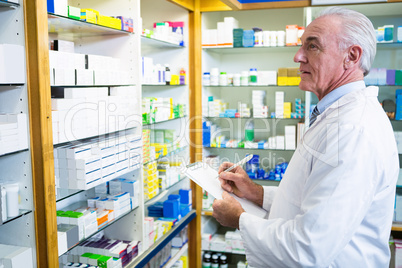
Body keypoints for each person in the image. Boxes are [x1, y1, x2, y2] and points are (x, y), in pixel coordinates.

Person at [212, 6, 399, 267]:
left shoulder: (353, 129)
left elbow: (308, 247)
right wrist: (256, 193)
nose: (297, 56)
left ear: (352, 56)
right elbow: (311, 198)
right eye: (301, 46)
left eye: (312, 46)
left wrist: (240, 219)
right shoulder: (333, 114)